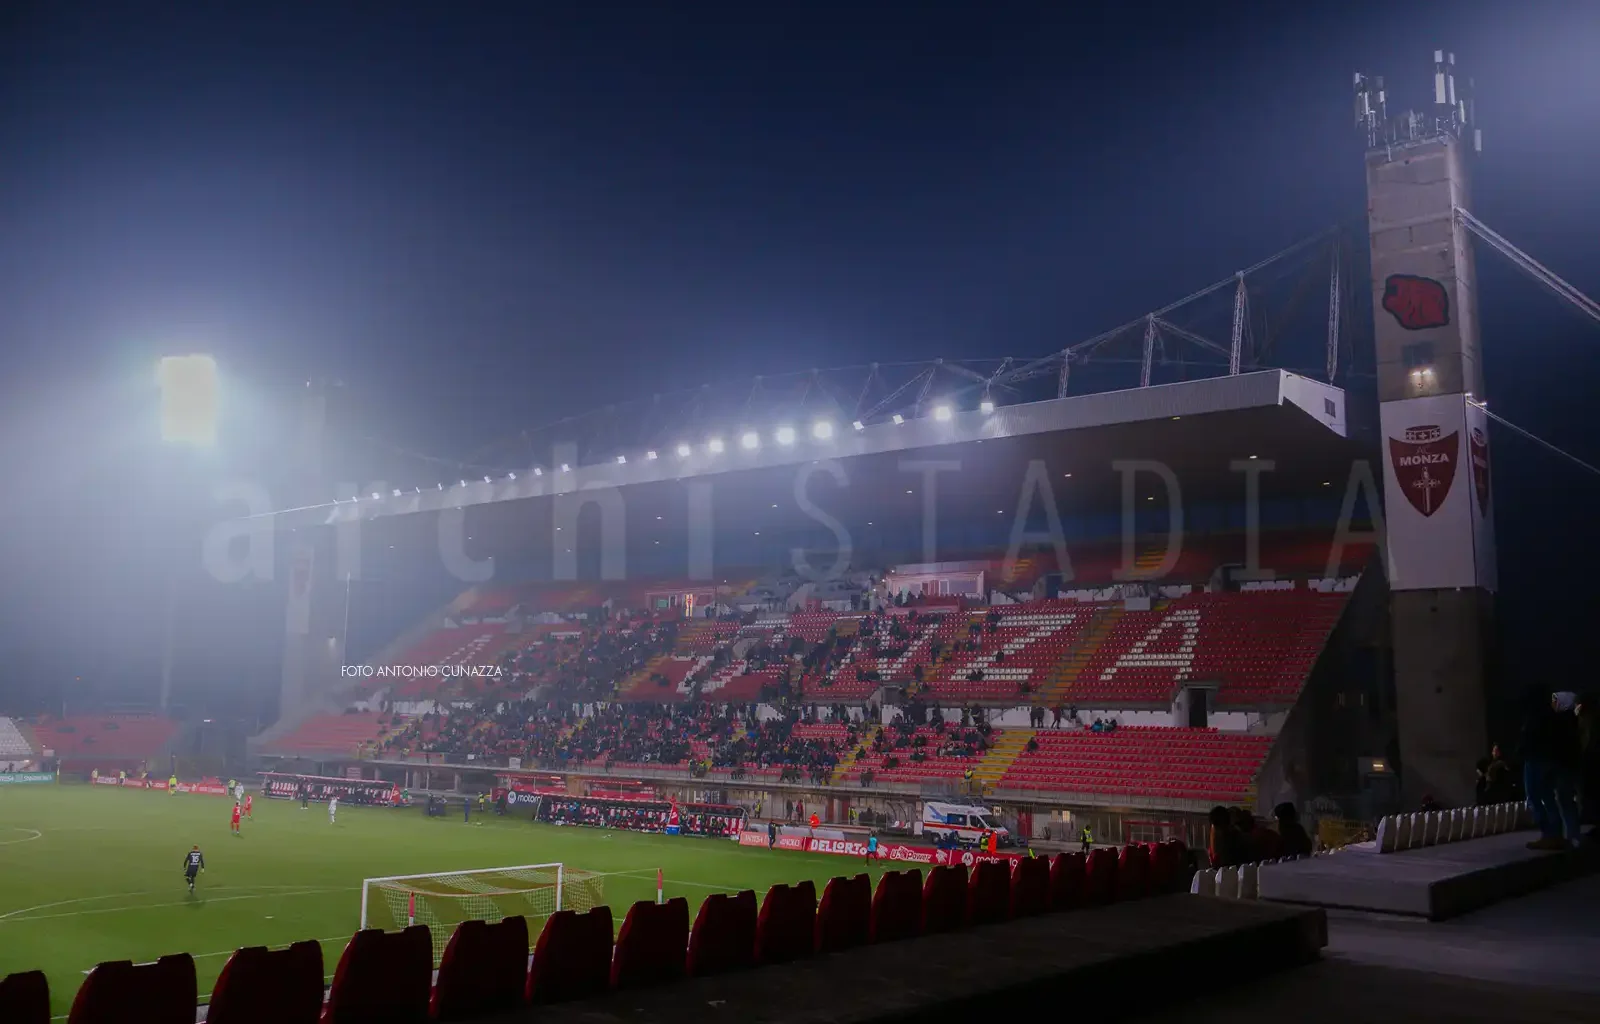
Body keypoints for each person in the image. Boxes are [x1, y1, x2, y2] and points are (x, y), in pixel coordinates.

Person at [1520, 687, 1582, 850]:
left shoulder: (1552, 719)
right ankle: (1563, 835)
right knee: (1552, 798)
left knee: (1540, 797)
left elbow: (1531, 739)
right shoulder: (1557, 719)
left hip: (1546, 761)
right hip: (1555, 762)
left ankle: (1553, 834)